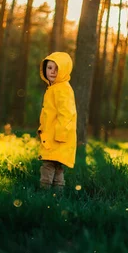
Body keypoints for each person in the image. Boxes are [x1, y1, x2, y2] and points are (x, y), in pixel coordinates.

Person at [37, 52, 77, 191]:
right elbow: (49, 114)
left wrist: (60, 134)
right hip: (53, 134)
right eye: (49, 68)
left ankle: (44, 193)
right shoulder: (54, 88)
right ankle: (57, 197)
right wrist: (42, 129)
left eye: (56, 68)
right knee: (57, 167)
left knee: (48, 166)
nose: (52, 71)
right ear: (44, 70)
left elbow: (66, 113)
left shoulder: (62, 89)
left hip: (57, 136)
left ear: (64, 70)